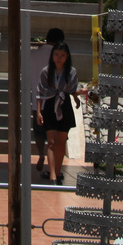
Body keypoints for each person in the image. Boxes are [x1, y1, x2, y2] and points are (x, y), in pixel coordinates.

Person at [34, 40, 83, 184]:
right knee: (51, 142)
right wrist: (38, 111)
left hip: (64, 105)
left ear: (67, 56)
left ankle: (58, 170)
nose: (59, 58)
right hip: (49, 105)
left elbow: (72, 90)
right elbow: (40, 92)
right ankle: (53, 175)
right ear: (52, 56)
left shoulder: (71, 72)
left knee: (61, 142)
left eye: (62, 55)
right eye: (56, 54)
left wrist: (77, 98)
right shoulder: (46, 71)